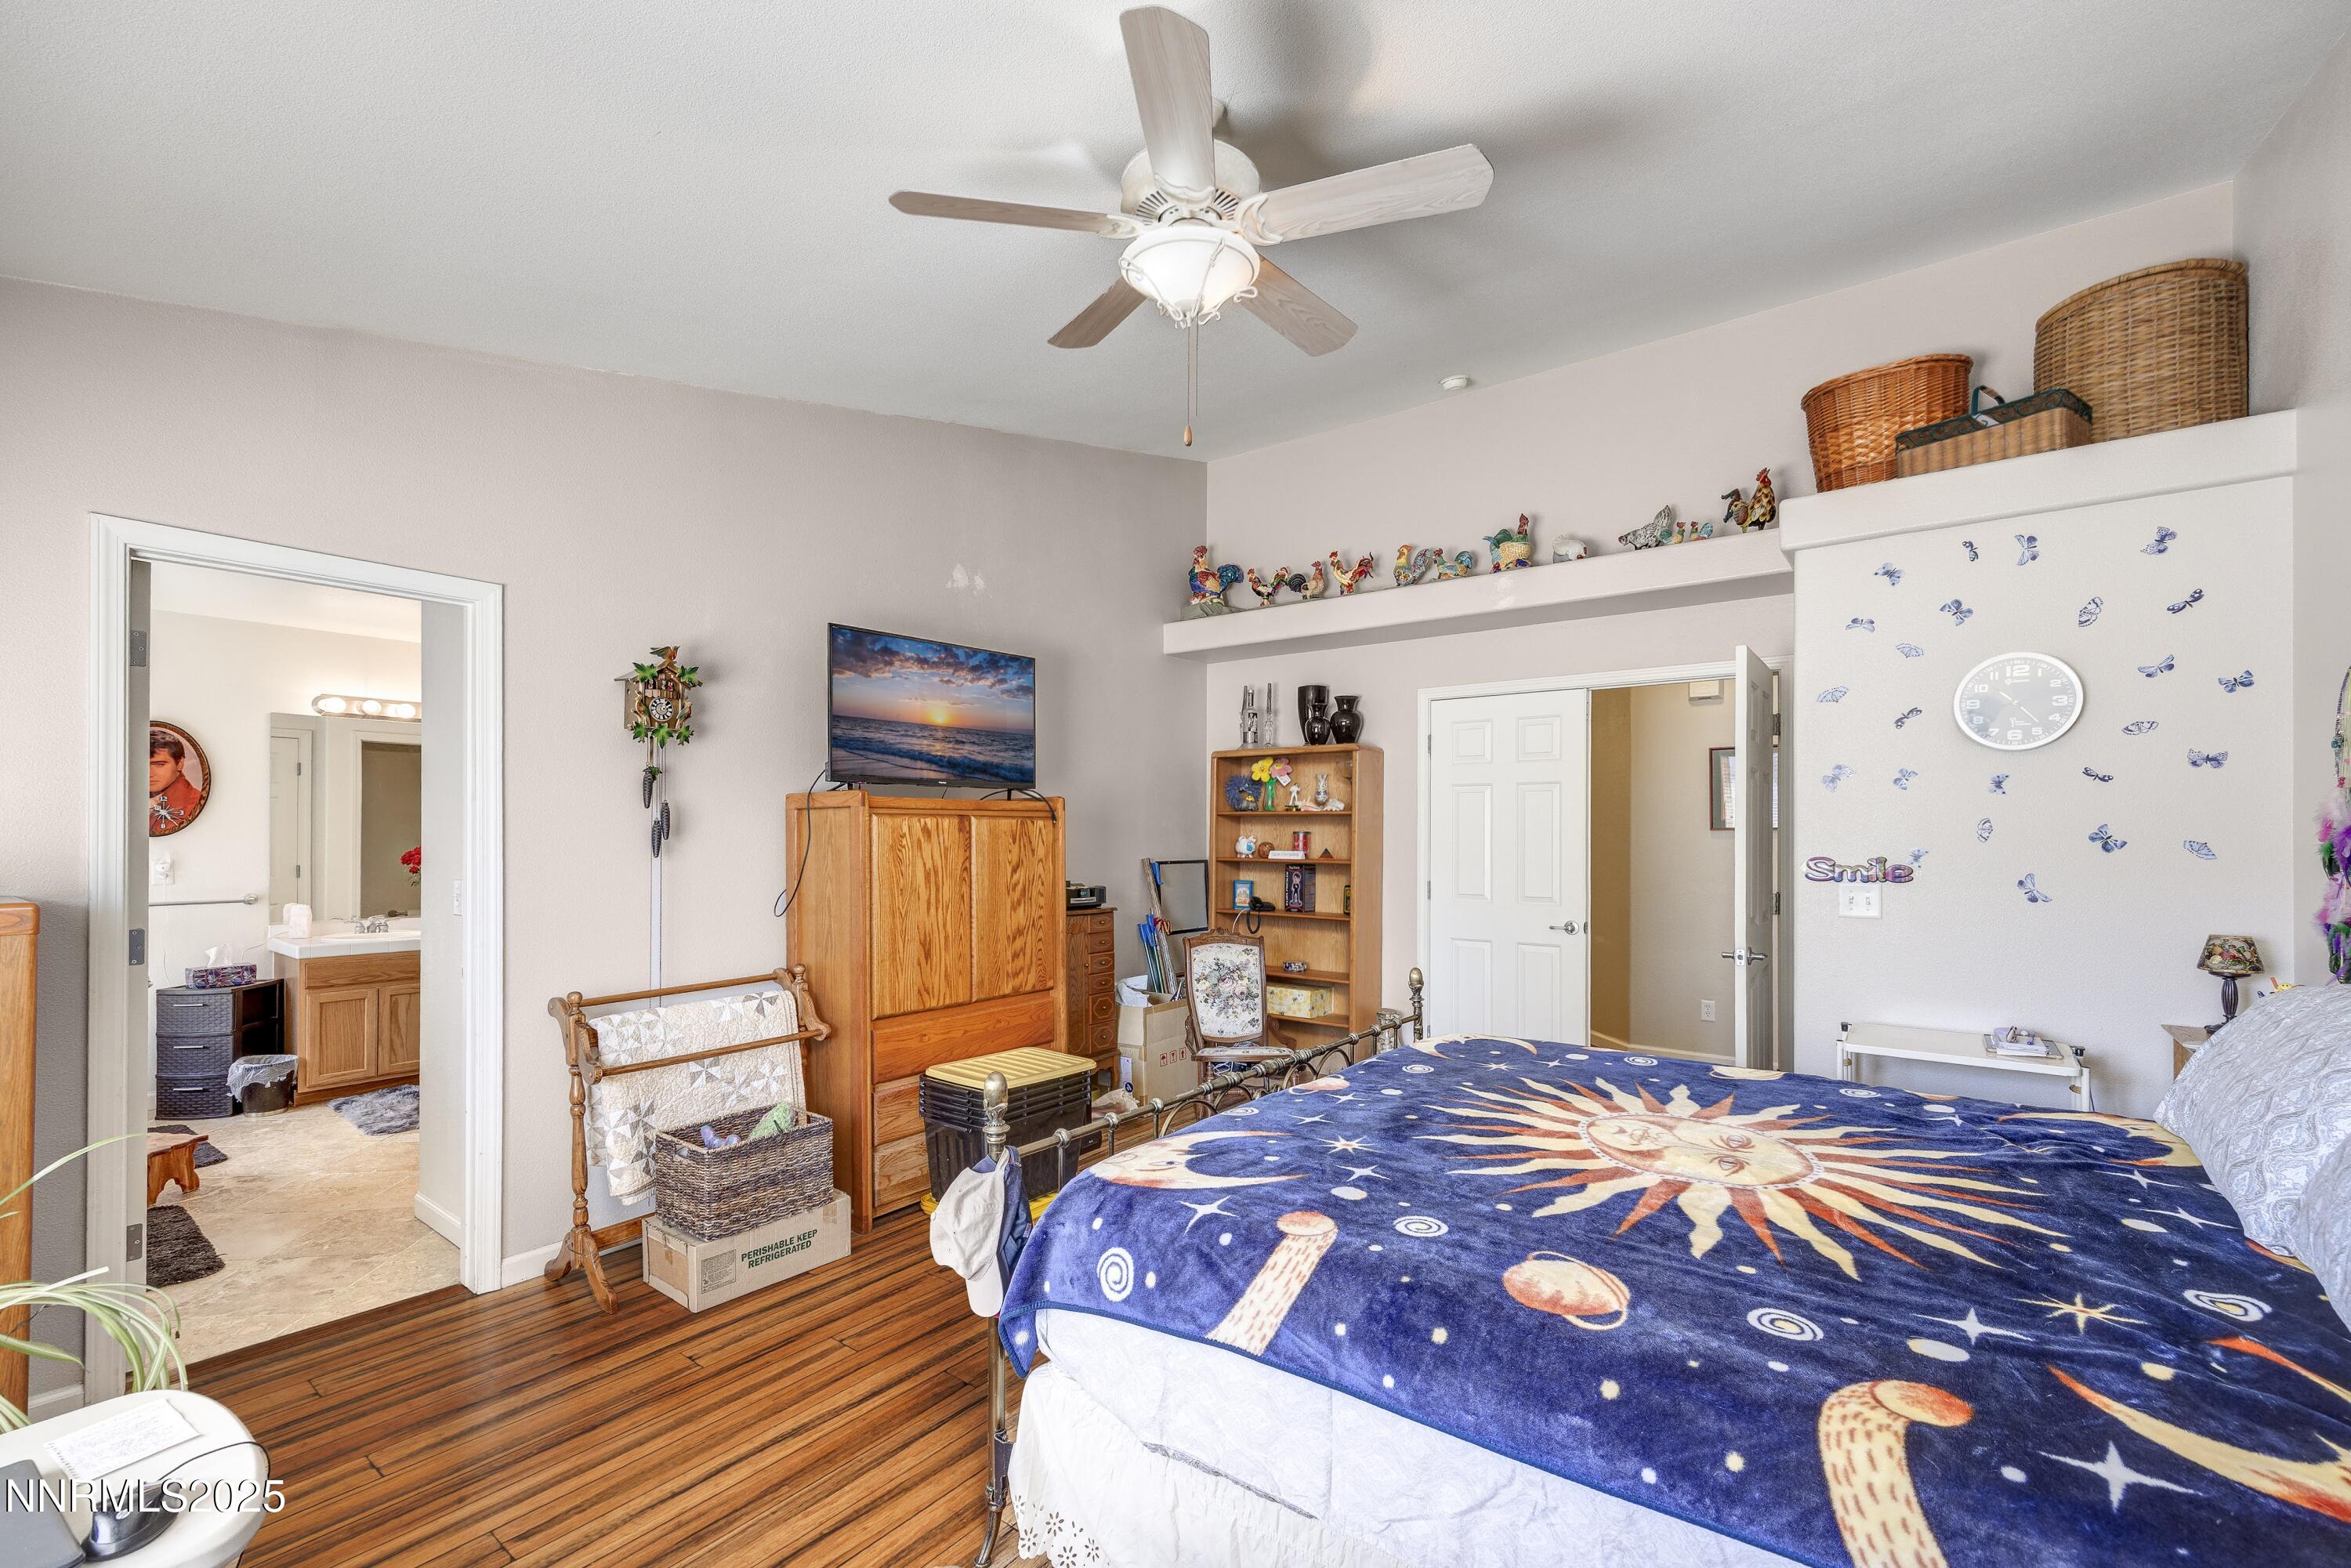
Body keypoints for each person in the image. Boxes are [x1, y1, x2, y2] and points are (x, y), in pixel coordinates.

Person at [149, 729, 203, 834]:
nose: (149, 773)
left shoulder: (192, 805)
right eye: (140, 764)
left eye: (159, 764)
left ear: (180, 763)